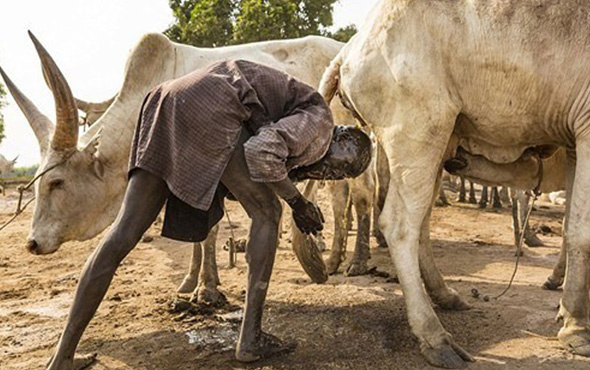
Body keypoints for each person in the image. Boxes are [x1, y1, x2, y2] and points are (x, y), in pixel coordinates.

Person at [46, 59, 372, 369]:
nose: (330, 174)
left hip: (165, 101)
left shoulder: (302, 138)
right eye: (339, 164)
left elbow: (254, 161)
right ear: (339, 135)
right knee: (268, 212)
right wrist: (298, 204)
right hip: (212, 102)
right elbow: (260, 151)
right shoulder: (320, 120)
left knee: (123, 233)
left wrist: (293, 192)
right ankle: (251, 339)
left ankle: (61, 357)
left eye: (340, 176)